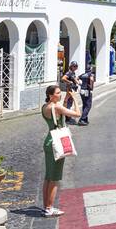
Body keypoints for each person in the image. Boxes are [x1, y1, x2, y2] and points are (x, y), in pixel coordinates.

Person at [41, 84, 81, 217]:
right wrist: (75, 98)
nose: (60, 94)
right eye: (58, 93)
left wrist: (65, 99)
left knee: (48, 176)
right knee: (55, 178)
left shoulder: (45, 107)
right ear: (51, 95)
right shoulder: (56, 107)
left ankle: (46, 206)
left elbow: (58, 114)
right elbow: (77, 114)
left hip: (49, 140)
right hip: (57, 143)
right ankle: (50, 207)